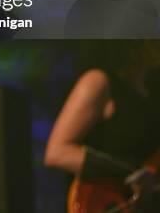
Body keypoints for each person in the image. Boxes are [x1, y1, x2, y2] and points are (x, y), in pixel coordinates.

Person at [44, 40, 160, 212]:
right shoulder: (98, 81)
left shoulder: (153, 88)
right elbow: (57, 153)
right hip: (103, 202)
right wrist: (131, 172)